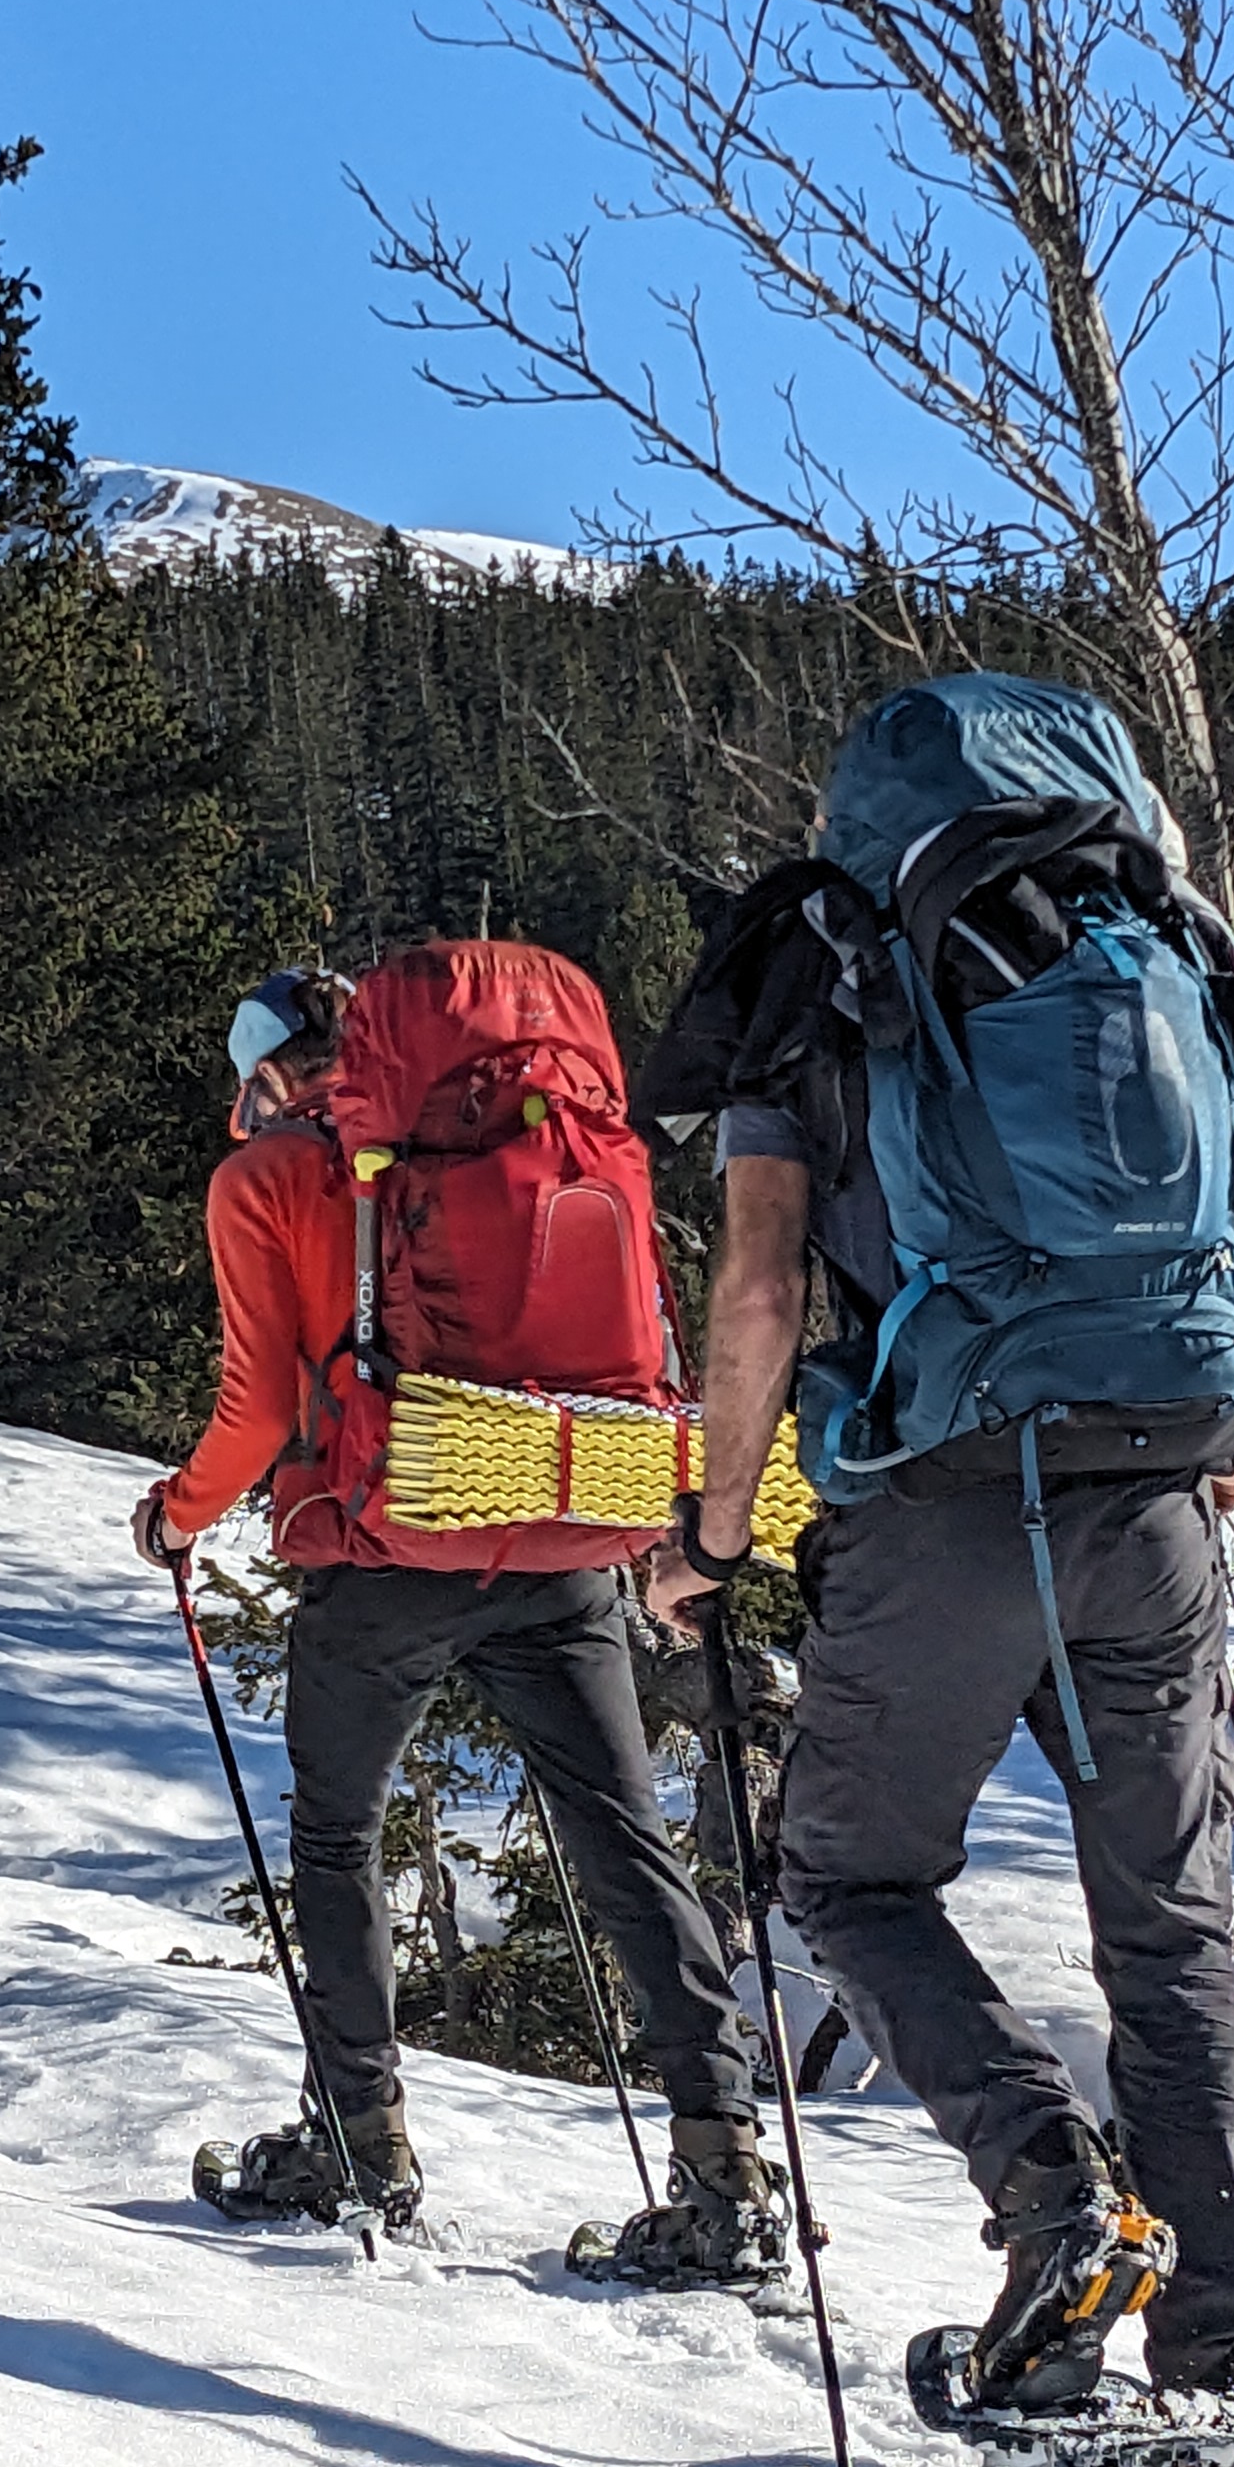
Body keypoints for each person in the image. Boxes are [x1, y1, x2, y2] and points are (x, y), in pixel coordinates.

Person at [640, 683, 1234, 2417]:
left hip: (945, 1503)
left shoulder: (832, 967)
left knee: (846, 1878)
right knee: (1171, 1934)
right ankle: (1224, 2360)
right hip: (1162, 1492)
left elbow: (761, 1289)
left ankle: (1054, 2192)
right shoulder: (1161, 941)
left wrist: (710, 1530)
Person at [135, 963, 775, 2272]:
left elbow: (258, 1412)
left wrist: (180, 1513)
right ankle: (726, 2173)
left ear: (264, 1076)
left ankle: (361, 2150)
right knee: (624, 1844)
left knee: (337, 1838)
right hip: (560, 1530)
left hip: (388, 1550)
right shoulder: (515, 1137)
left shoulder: (263, 1178)